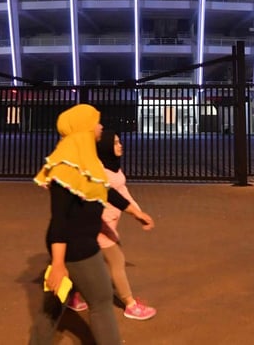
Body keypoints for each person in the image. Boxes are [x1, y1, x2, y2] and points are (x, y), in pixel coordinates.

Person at [30, 104, 155, 345]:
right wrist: (58, 264)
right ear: (83, 129)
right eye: (96, 122)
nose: (100, 127)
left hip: (81, 243)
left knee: (54, 305)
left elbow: (105, 191)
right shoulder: (65, 167)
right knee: (102, 301)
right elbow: (60, 219)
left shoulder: (85, 160)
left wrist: (135, 212)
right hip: (77, 247)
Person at [67, 130, 157, 320]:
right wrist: (135, 214)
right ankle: (130, 305)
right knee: (117, 260)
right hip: (98, 224)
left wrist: (138, 213)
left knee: (91, 262)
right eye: (115, 142)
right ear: (105, 146)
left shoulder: (113, 167)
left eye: (119, 141)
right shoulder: (98, 170)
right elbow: (107, 194)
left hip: (109, 223)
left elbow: (122, 191)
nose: (120, 145)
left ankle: (74, 295)